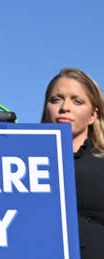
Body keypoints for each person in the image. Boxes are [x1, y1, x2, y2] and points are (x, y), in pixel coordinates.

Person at [41, 68, 104, 259]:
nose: (65, 107)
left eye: (77, 101)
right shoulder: (24, 165)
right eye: (56, 99)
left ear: (94, 115)